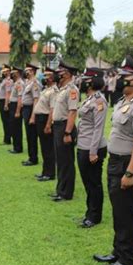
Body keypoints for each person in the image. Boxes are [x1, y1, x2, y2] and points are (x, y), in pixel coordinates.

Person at [94, 55, 133, 265]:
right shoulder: (123, 102)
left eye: (124, 77)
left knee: (127, 214)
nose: (118, 80)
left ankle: (127, 260)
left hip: (129, 166)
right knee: (119, 212)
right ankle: (117, 252)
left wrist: (130, 174)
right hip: (115, 163)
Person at [77, 68, 108, 228]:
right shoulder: (89, 99)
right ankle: (89, 212)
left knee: (94, 183)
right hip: (83, 145)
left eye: (85, 79)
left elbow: (98, 128)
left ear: (91, 81)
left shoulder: (99, 101)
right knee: (87, 183)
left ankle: (94, 216)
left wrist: (93, 151)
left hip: (92, 148)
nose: (81, 82)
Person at [50, 60, 79, 202]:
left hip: (65, 127)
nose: (58, 74)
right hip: (58, 126)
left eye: (60, 72)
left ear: (67, 74)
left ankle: (66, 193)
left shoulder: (72, 90)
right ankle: (60, 189)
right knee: (60, 160)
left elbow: (72, 112)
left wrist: (68, 133)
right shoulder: (62, 89)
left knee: (66, 161)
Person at [33, 67, 58, 181]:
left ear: (52, 78)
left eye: (47, 76)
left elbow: (52, 109)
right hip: (40, 118)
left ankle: (50, 173)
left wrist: (48, 125)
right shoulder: (46, 89)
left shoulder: (53, 91)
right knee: (43, 147)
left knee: (48, 148)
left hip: (45, 119)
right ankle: (45, 171)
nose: (44, 78)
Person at [21, 63, 42, 166]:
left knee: (32, 135)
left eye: (28, 70)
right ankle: (31, 156)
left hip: (31, 110)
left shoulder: (35, 83)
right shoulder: (28, 82)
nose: (26, 72)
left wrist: (33, 116)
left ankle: (33, 158)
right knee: (29, 135)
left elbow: (36, 100)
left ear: (33, 71)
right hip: (26, 109)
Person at [8, 66, 25, 154]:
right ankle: (15, 146)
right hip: (13, 105)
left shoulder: (20, 83)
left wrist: (18, 111)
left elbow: (20, 98)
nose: (11, 74)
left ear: (17, 73)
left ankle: (18, 147)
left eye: (13, 72)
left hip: (16, 106)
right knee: (13, 127)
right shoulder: (16, 83)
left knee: (17, 128)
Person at [0, 64, 13, 145]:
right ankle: (6, 138)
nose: (4, 72)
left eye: (5, 71)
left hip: (4, 102)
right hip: (2, 101)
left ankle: (7, 139)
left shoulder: (8, 81)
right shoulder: (5, 80)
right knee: (5, 121)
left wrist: (6, 104)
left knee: (7, 122)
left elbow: (8, 93)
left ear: (8, 71)